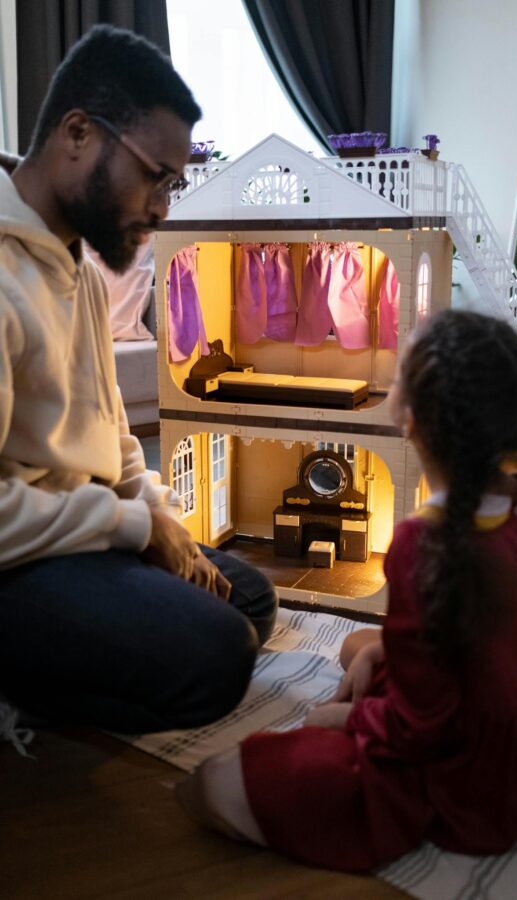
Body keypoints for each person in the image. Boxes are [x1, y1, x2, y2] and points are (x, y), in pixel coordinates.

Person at [176, 309, 517, 871]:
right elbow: (513, 647)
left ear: (412, 419)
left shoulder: (422, 544)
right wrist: (380, 652)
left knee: (212, 784)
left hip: (458, 778)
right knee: (358, 648)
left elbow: (418, 729)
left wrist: (345, 722)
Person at [0, 24, 277, 740]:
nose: (163, 207)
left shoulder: (80, 270)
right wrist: (131, 525)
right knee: (218, 652)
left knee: (247, 598)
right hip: (15, 561)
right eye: (157, 175)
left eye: (174, 184)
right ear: (78, 134)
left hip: (72, 537)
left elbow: (115, 436)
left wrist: (161, 524)